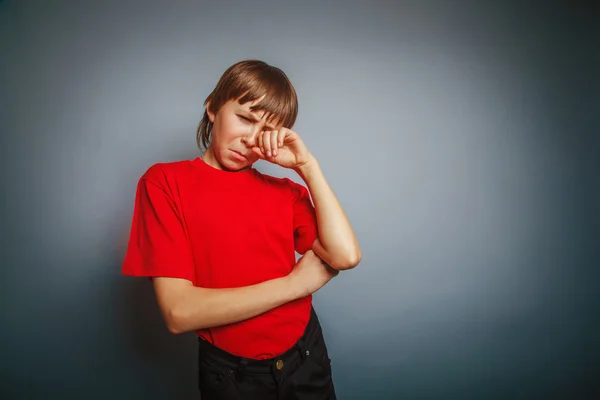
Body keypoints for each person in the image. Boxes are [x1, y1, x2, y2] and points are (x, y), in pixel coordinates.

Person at [122, 59, 361, 399]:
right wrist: (293, 285)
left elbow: (346, 255)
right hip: (232, 375)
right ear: (212, 108)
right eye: (244, 118)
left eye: (264, 131)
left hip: (305, 356)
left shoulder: (286, 191)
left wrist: (308, 167)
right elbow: (179, 312)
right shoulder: (164, 183)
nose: (250, 140)